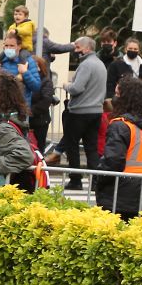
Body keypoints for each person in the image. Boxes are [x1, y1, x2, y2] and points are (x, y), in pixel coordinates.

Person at [96, 76, 142, 219]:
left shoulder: (121, 125)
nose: (114, 98)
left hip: (118, 193)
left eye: (117, 94)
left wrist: (99, 182)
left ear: (126, 98)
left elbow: (112, 162)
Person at [53, 36, 105, 190]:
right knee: (91, 147)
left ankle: (75, 180)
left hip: (80, 111)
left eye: (77, 47)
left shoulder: (86, 65)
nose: (74, 50)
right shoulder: (100, 64)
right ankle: (95, 181)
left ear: (87, 48)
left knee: (72, 145)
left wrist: (66, 85)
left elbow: (77, 88)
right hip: (96, 111)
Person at [0, 30, 42, 107]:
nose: (8, 48)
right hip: (2, 105)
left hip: (20, 107)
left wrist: (25, 73)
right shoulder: (1, 62)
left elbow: (36, 86)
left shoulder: (28, 61)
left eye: (12, 46)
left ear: (19, 46)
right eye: (6, 46)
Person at [104, 36, 142, 101]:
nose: (133, 50)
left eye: (135, 49)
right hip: (121, 99)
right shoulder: (116, 64)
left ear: (139, 50)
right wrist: (112, 99)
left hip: (140, 99)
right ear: (125, 49)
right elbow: (110, 84)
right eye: (130, 48)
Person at [28, 55, 56, 151]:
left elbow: (46, 101)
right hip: (26, 120)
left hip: (39, 122)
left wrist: (28, 112)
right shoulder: (25, 79)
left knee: (38, 149)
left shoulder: (46, 81)